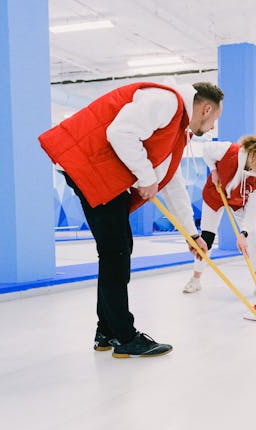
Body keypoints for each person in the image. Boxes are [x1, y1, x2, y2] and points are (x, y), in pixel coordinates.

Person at [38, 81, 224, 358]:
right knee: (117, 251)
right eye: (214, 121)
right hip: (90, 165)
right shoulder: (168, 102)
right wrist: (146, 178)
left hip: (98, 170)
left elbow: (171, 181)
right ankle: (124, 337)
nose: (211, 128)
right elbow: (120, 132)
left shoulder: (177, 128)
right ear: (206, 108)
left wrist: (192, 234)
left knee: (116, 249)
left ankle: (107, 331)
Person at [183, 135, 256, 297]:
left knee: (252, 239)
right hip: (215, 195)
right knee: (206, 238)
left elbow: (253, 210)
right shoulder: (229, 150)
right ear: (252, 151)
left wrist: (243, 233)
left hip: (238, 202)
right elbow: (206, 149)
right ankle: (195, 279)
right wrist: (214, 171)